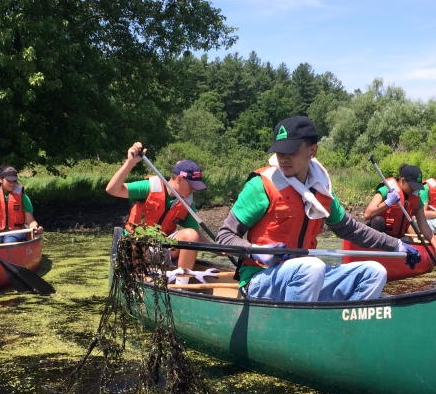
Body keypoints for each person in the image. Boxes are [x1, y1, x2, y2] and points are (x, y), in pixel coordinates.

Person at [215, 116, 421, 302]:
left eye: (292, 150)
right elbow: (224, 236)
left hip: (305, 277)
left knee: (374, 272)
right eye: (279, 151)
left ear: (312, 151)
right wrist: (256, 252)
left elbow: (351, 229)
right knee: (313, 266)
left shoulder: (321, 190)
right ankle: (295, 330)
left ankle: (342, 329)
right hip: (261, 280)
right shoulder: (261, 185)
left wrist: (396, 246)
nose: (283, 157)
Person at [106, 142, 207, 284]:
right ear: (179, 179)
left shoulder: (186, 202)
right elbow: (112, 189)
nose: (194, 190)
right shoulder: (149, 187)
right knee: (138, 242)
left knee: (191, 235)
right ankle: (139, 279)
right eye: (192, 185)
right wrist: (130, 163)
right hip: (134, 248)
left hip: (160, 250)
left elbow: (198, 236)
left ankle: (181, 287)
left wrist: (223, 249)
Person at [363, 165, 436, 256]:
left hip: (397, 237)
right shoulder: (386, 189)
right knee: (378, 220)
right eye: (412, 186)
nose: (414, 189)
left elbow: (424, 226)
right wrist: (388, 202)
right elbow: (367, 215)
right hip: (379, 237)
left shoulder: (416, 198)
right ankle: (375, 252)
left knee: (409, 242)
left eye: (417, 187)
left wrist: (435, 245)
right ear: (402, 180)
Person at [0, 165, 43, 244]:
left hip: (17, 231)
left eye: (14, 181)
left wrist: (36, 228)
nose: (12, 183)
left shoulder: (23, 198)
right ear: (1, 180)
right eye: (9, 181)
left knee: (9, 240)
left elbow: (30, 220)